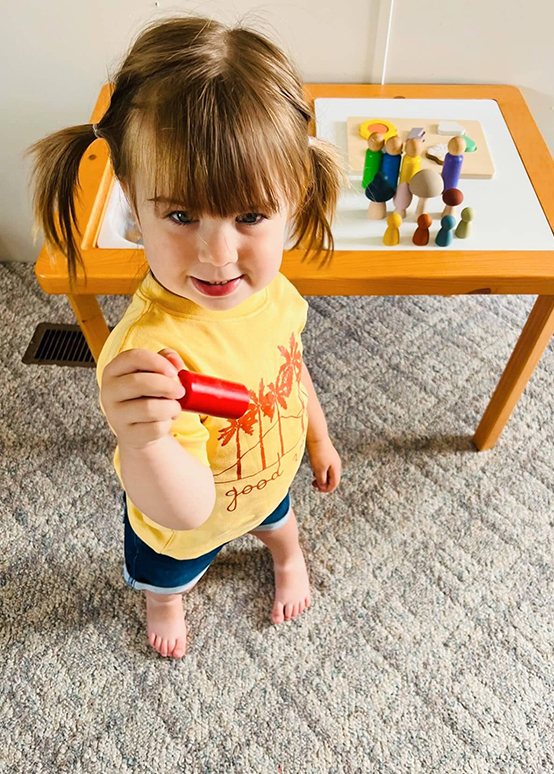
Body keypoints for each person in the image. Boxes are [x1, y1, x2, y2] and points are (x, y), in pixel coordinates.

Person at [25, 13, 345, 659]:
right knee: (168, 570)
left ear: (297, 199)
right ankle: (165, 601)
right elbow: (185, 511)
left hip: (267, 475)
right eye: (180, 214)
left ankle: (286, 554)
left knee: (280, 526)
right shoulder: (153, 354)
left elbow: (292, 363)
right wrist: (143, 440)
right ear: (131, 204)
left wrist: (317, 434)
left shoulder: (274, 292)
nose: (218, 254)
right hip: (183, 521)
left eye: (250, 215)